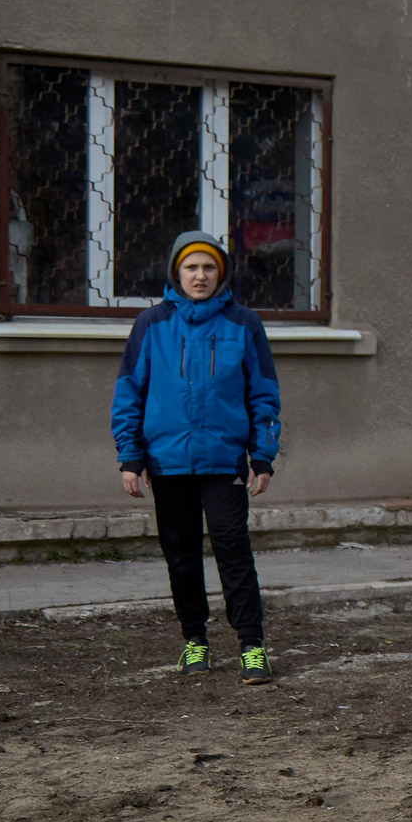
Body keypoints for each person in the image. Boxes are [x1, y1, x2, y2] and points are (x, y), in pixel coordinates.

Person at [110, 230, 282, 685]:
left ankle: (252, 647)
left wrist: (261, 456)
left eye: (208, 267)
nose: (200, 275)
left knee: (232, 548)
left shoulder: (243, 324)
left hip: (224, 461)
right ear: (177, 273)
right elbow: (130, 391)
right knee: (181, 554)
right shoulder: (152, 324)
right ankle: (194, 641)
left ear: (220, 273)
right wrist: (131, 456)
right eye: (191, 267)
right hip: (167, 462)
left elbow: (263, 393)